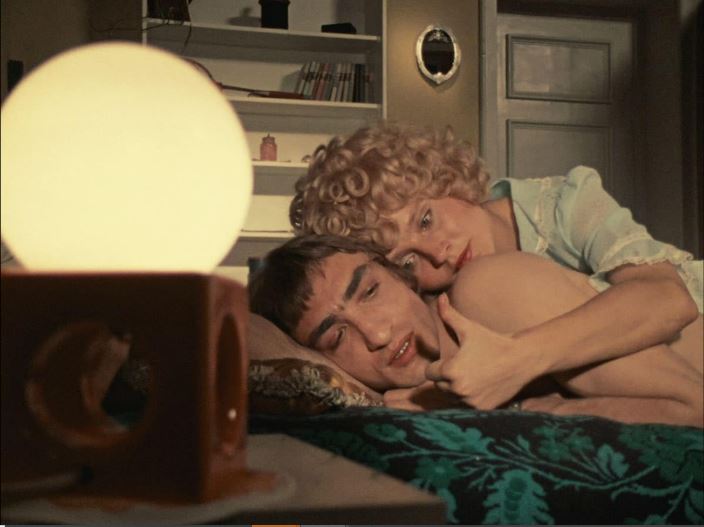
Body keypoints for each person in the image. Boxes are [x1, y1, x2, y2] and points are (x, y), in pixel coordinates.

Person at [289, 122, 703, 410]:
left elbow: (669, 300)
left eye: (426, 220)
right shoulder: (446, 305)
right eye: (408, 261)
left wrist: (519, 359)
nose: (438, 254)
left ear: (444, 178)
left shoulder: (564, 204)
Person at [248, 234, 703, 427]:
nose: (377, 335)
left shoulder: (484, 289)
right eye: (337, 337)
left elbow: (694, 408)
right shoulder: (409, 401)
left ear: (401, 275)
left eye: (369, 292)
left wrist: (527, 408)